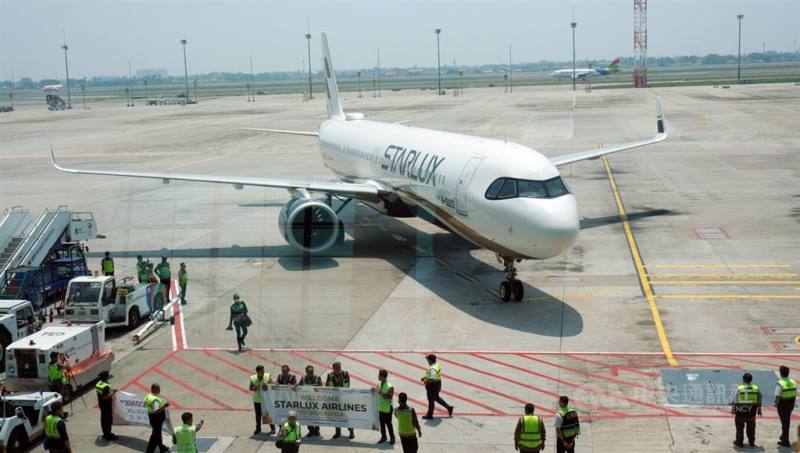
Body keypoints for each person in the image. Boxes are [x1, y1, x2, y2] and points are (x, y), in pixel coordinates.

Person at [731, 372, 762, 448]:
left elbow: (734, 400)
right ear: (751, 380)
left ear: (743, 380)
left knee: (739, 428)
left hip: (740, 412)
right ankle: (751, 442)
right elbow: (759, 400)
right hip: (751, 412)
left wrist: (733, 409)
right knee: (751, 428)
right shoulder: (756, 388)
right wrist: (759, 410)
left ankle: (739, 442)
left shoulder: (740, 388)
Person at [326, 361, 354, 439]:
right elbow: (327, 385)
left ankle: (351, 431)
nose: (339, 369)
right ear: (333, 368)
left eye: (339, 367)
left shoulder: (345, 374)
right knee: (336, 416)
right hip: (334, 399)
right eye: (337, 368)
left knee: (347, 416)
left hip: (344, 399)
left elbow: (348, 385)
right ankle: (338, 432)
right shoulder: (330, 375)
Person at [421, 354, 453, 419]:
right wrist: (425, 377)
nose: (427, 361)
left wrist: (426, 381)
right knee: (436, 397)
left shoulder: (432, 368)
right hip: (438, 383)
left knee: (431, 401)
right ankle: (449, 407)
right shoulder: (436, 364)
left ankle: (429, 415)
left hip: (433, 385)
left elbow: (432, 379)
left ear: (430, 360)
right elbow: (433, 376)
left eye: (428, 359)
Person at [145, 383, 171, 453]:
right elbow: (157, 411)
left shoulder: (149, 396)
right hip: (157, 419)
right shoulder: (154, 400)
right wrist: (164, 406)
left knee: (158, 434)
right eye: (158, 388)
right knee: (154, 437)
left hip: (152, 417)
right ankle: (149, 451)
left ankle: (161, 447)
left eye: (159, 388)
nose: (159, 390)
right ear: (153, 389)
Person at [250, 365, 276, 435]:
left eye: (263, 371)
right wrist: (257, 387)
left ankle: (273, 428)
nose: (263, 372)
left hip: (266, 399)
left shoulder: (267, 376)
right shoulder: (253, 378)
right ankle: (258, 429)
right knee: (258, 415)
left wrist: (271, 383)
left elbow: (272, 384)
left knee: (268, 414)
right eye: (262, 371)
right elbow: (251, 388)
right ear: (257, 372)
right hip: (257, 400)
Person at [775, 365, 796, 447]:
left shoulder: (780, 383)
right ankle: (783, 436)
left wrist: (776, 404)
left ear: (780, 373)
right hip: (790, 404)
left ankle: (785, 441)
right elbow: (794, 394)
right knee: (786, 422)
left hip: (782, 405)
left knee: (785, 423)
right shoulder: (793, 382)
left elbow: (778, 396)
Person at [300, 365, 322, 437]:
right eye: (309, 372)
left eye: (312, 372)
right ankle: (311, 430)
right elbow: (298, 386)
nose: (310, 373)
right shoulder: (303, 378)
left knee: (317, 416)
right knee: (308, 415)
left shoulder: (318, 378)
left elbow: (321, 388)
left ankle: (317, 430)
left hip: (316, 401)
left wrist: (318, 388)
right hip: (306, 401)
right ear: (306, 372)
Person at [96, 370, 118, 441]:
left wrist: (111, 390)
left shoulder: (99, 383)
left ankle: (105, 433)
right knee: (108, 420)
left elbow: (103, 392)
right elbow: (105, 397)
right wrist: (113, 392)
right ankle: (108, 435)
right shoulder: (105, 386)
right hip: (106, 405)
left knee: (103, 419)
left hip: (101, 404)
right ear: (106, 376)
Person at [376, 368, 395, 444]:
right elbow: (377, 391)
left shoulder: (390, 386)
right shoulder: (379, 384)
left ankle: (392, 437)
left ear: (383, 376)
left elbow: (389, 397)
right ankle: (383, 436)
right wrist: (374, 390)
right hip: (381, 408)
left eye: (379, 375)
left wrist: (380, 393)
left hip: (387, 408)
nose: (378, 376)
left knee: (388, 424)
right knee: (382, 424)